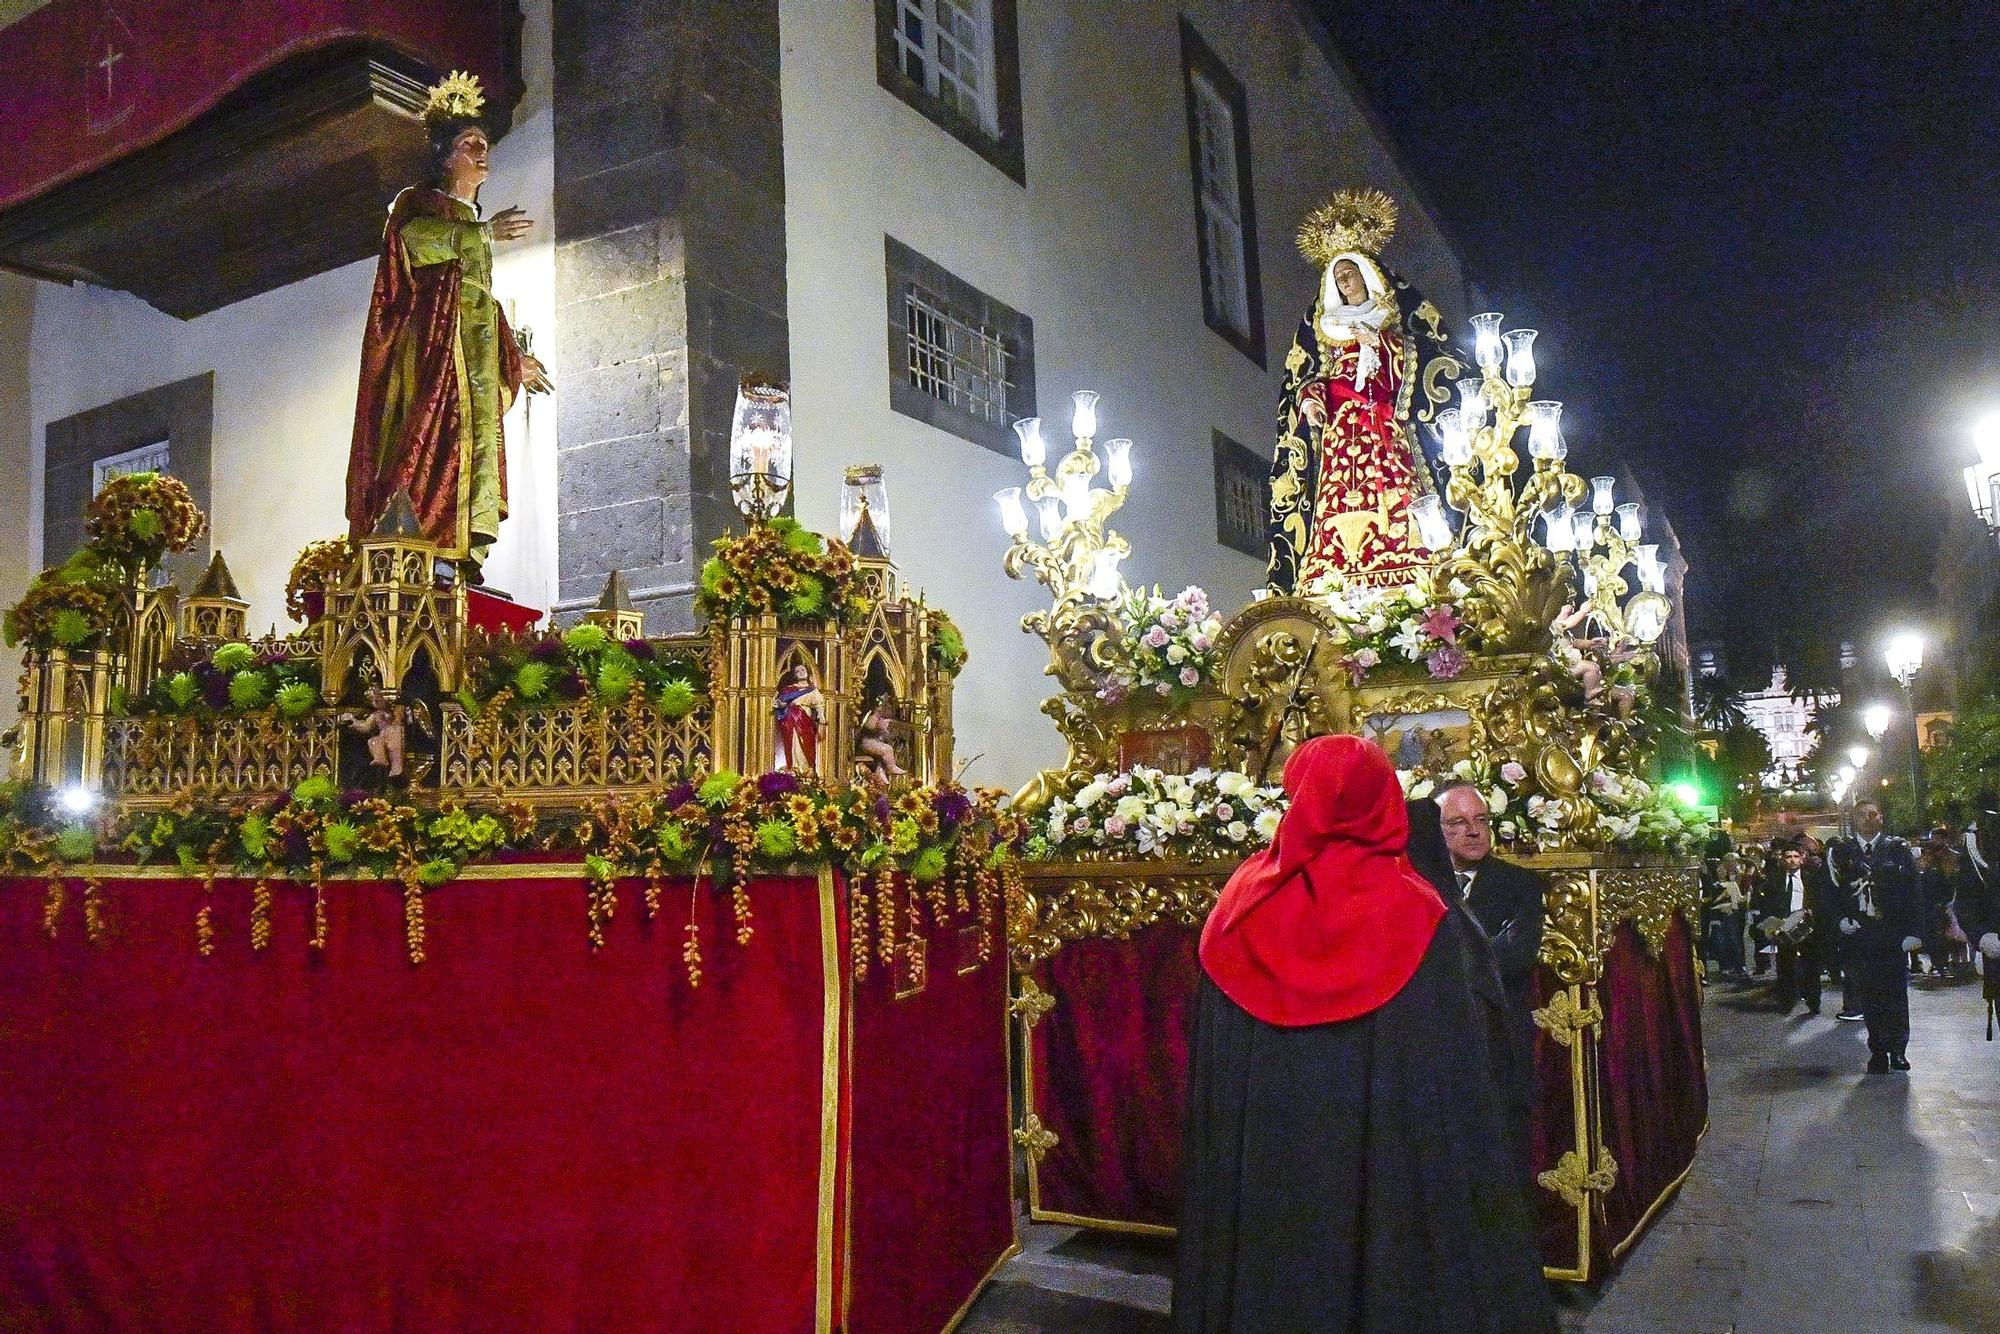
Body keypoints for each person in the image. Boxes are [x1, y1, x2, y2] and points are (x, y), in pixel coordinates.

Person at [1175, 736, 1554, 1332]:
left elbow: (1217, 1071)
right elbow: (1455, 1082)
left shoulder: (1240, 905)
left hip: (1271, 1172)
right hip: (1391, 1181)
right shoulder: (1421, 914)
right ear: (1386, 801)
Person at [347, 71, 551, 573]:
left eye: (485, 144)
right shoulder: (419, 202)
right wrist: (480, 234)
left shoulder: (467, 213)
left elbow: (481, 303)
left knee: (476, 449)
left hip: (472, 362)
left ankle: (463, 554)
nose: (482, 153)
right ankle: (424, 545)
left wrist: (512, 357)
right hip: (435, 357)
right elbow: (412, 243)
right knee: (429, 444)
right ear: (444, 155)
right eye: (469, 144)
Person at [1266, 190, 1458, 594]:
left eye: (1350, 274)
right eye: (1338, 278)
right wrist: (1313, 399)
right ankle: (1332, 571)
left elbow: (1417, 361)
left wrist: (1378, 344)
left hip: (1381, 424)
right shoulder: (1329, 327)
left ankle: (1410, 563)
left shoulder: (1387, 323)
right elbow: (1310, 377)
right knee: (1334, 502)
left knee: (1394, 495)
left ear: (1367, 274)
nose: (1345, 281)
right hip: (1340, 433)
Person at [1437, 782, 1547, 1092]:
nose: (1473, 831)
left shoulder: (1519, 884)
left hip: (1499, 1043)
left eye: (1481, 819)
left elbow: (1516, 956)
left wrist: (1440, 955)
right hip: (1436, 1045)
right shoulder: (1418, 885)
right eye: (1458, 822)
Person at [1827, 800, 1923, 1073]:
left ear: (1881, 818)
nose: (1868, 820)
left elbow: (1914, 893)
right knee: (1869, 996)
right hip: (1861, 935)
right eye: (1861, 815)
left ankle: (1898, 1050)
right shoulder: (1843, 852)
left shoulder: (1897, 849)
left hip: (1892, 935)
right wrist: (1839, 920)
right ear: (1853, 819)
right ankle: (1878, 1050)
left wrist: (1915, 932)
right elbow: (1831, 894)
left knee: (1896, 994)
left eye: (1873, 814)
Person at [1754, 841, 1830, 1015]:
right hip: (1783, 928)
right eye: (1788, 857)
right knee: (1785, 966)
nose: (1792, 860)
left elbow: (1821, 901)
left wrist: (1811, 912)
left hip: (1807, 928)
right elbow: (1767, 903)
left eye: (1796, 857)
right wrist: (1772, 925)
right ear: (1782, 859)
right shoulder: (1774, 880)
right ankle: (1787, 1001)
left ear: (1801, 859)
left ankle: (1813, 1001)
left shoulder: (1811, 879)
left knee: (1811, 966)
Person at [772, 664, 824, 772]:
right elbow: (779, 703)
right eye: (797, 671)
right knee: (793, 742)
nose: (800, 672)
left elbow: (819, 703)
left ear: (808, 672)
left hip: (805, 720)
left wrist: (821, 715)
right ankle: (794, 768)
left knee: (806, 743)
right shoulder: (789, 690)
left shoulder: (813, 690)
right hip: (790, 720)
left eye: (802, 670)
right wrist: (780, 705)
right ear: (795, 675)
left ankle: (806, 769)